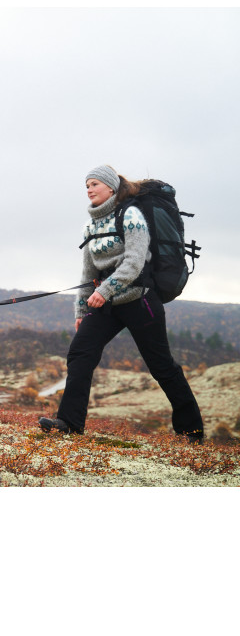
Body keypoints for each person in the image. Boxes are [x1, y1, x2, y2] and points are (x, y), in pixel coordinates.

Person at [38, 164, 204, 442]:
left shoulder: (131, 216)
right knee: (80, 354)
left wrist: (104, 291)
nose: (89, 189)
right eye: (87, 185)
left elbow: (135, 262)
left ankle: (192, 431)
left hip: (139, 300)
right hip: (106, 304)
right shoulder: (91, 225)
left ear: (112, 187)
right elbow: (88, 273)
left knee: (162, 366)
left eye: (95, 184)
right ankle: (69, 422)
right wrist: (82, 310)